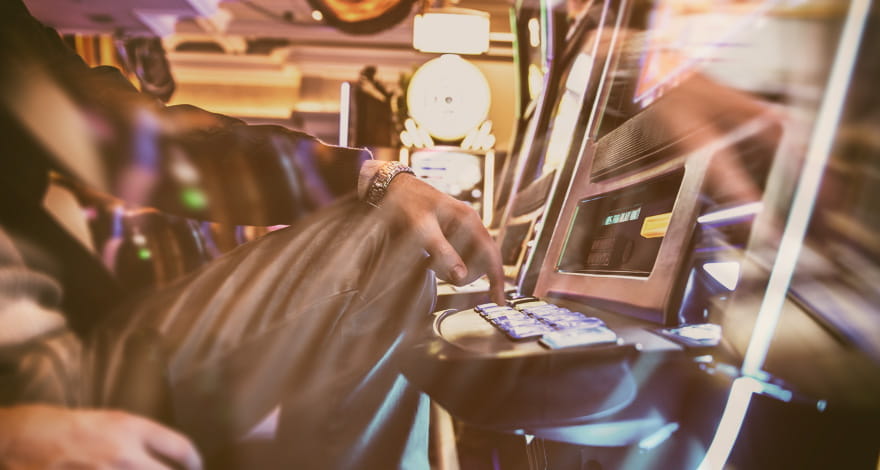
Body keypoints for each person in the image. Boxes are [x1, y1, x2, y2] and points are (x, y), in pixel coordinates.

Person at [0, 0, 504, 468]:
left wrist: (369, 176)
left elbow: (129, 136)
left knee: (383, 228)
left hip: (79, 344)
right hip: (27, 383)